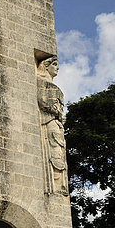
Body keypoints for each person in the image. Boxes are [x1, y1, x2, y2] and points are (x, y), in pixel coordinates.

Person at [37, 56, 68, 195]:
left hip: (57, 122)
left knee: (60, 152)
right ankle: (54, 185)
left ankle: (59, 186)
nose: (57, 67)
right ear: (46, 65)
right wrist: (55, 110)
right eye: (54, 64)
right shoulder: (40, 82)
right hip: (50, 121)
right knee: (54, 151)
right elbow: (43, 101)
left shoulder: (49, 83)